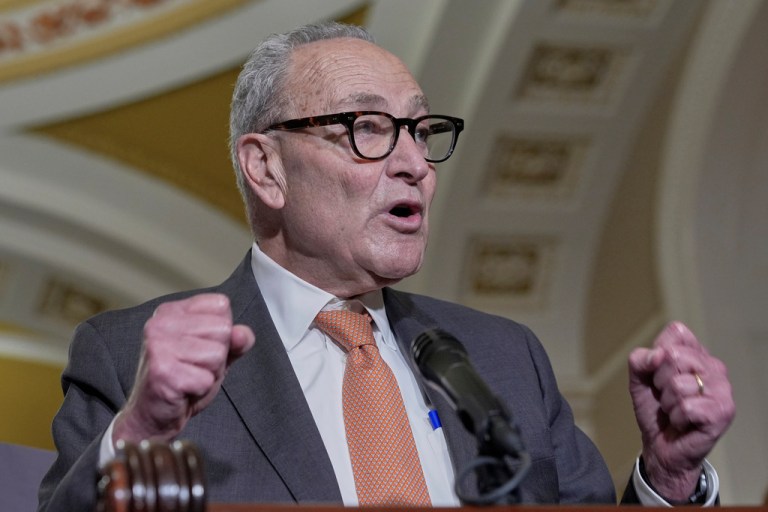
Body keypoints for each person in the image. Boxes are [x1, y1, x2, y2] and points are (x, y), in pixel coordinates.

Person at [37, 22, 735, 511]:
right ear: (266, 167)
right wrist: (140, 434)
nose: (412, 165)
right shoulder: (129, 357)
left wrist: (669, 476)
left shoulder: (503, 358)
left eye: (422, 130)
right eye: (367, 128)